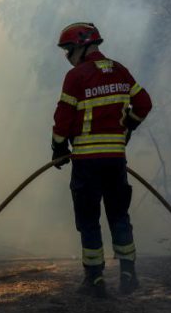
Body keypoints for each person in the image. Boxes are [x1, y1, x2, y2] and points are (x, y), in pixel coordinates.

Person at [51, 22, 152, 297]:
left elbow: (63, 118)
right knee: (119, 215)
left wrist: (58, 147)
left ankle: (94, 280)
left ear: (81, 46)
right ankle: (129, 275)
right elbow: (144, 103)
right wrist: (129, 125)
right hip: (115, 161)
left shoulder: (77, 77)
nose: (67, 57)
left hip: (86, 161)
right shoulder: (120, 71)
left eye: (68, 50)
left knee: (89, 219)